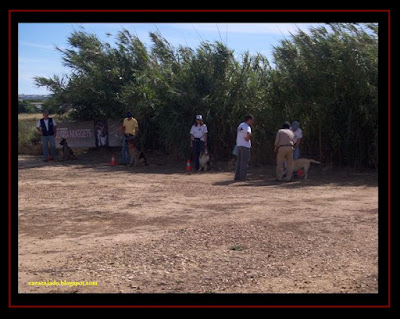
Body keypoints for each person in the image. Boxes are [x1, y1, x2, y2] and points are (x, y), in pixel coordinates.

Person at [234, 114, 253, 181]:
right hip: (245, 146)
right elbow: (249, 133)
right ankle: (242, 177)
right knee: (244, 162)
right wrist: (247, 139)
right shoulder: (247, 126)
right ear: (249, 120)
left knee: (238, 161)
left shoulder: (240, 125)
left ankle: (237, 176)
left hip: (239, 145)